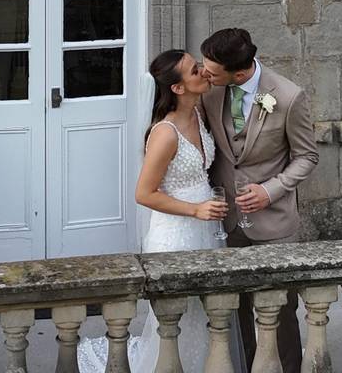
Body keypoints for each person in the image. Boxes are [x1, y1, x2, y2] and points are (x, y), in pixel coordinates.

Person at [77, 49, 244, 373]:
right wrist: (195, 210)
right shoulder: (165, 134)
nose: (203, 72)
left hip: (206, 228)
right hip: (176, 232)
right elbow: (144, 193)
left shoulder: (199, 114)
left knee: (208, 314)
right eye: (195, 70)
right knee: (178, 318)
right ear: (178, 88)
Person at [199, 28, 319, 373]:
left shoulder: (289, 96)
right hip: (226, 222)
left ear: (239, 73)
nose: (205, 74)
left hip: (275, 222)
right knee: (233, 308)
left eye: (212, 71)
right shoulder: (210, 92)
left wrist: (271, 189)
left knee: (280, 310)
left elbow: (307, 157)